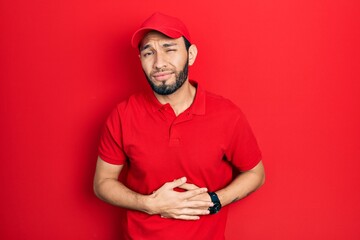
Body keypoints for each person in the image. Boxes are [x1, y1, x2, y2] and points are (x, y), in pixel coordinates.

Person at [94, 12, 265, 240]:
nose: (159, 63)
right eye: (148, 53)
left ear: (191, 54)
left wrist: (215, 200)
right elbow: (102, 182)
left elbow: (256, 173)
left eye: (169, 49)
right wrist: (149, 204)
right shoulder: (123, 115)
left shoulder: (227, 114)